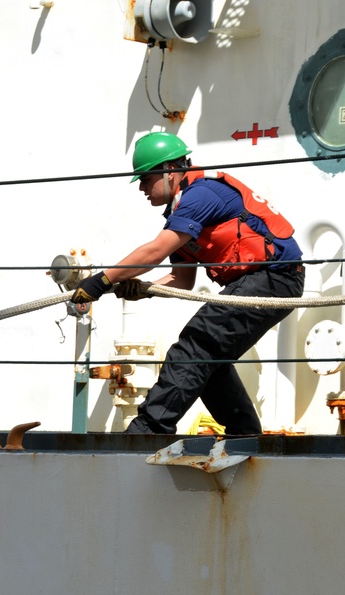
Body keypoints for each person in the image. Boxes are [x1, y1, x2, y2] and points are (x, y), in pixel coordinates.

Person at [71, 131, 305, 435]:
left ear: (170, 171)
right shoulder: (182, 211)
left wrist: (100, 281)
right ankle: (245, 434)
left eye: (145, 179)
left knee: (195, 348)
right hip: (265, 279)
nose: (141, 188)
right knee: (210, 359)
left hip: (274, 276)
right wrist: (143, 289)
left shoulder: (201, 195)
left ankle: (148, 431)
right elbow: (182, 280)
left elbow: (155, 251)